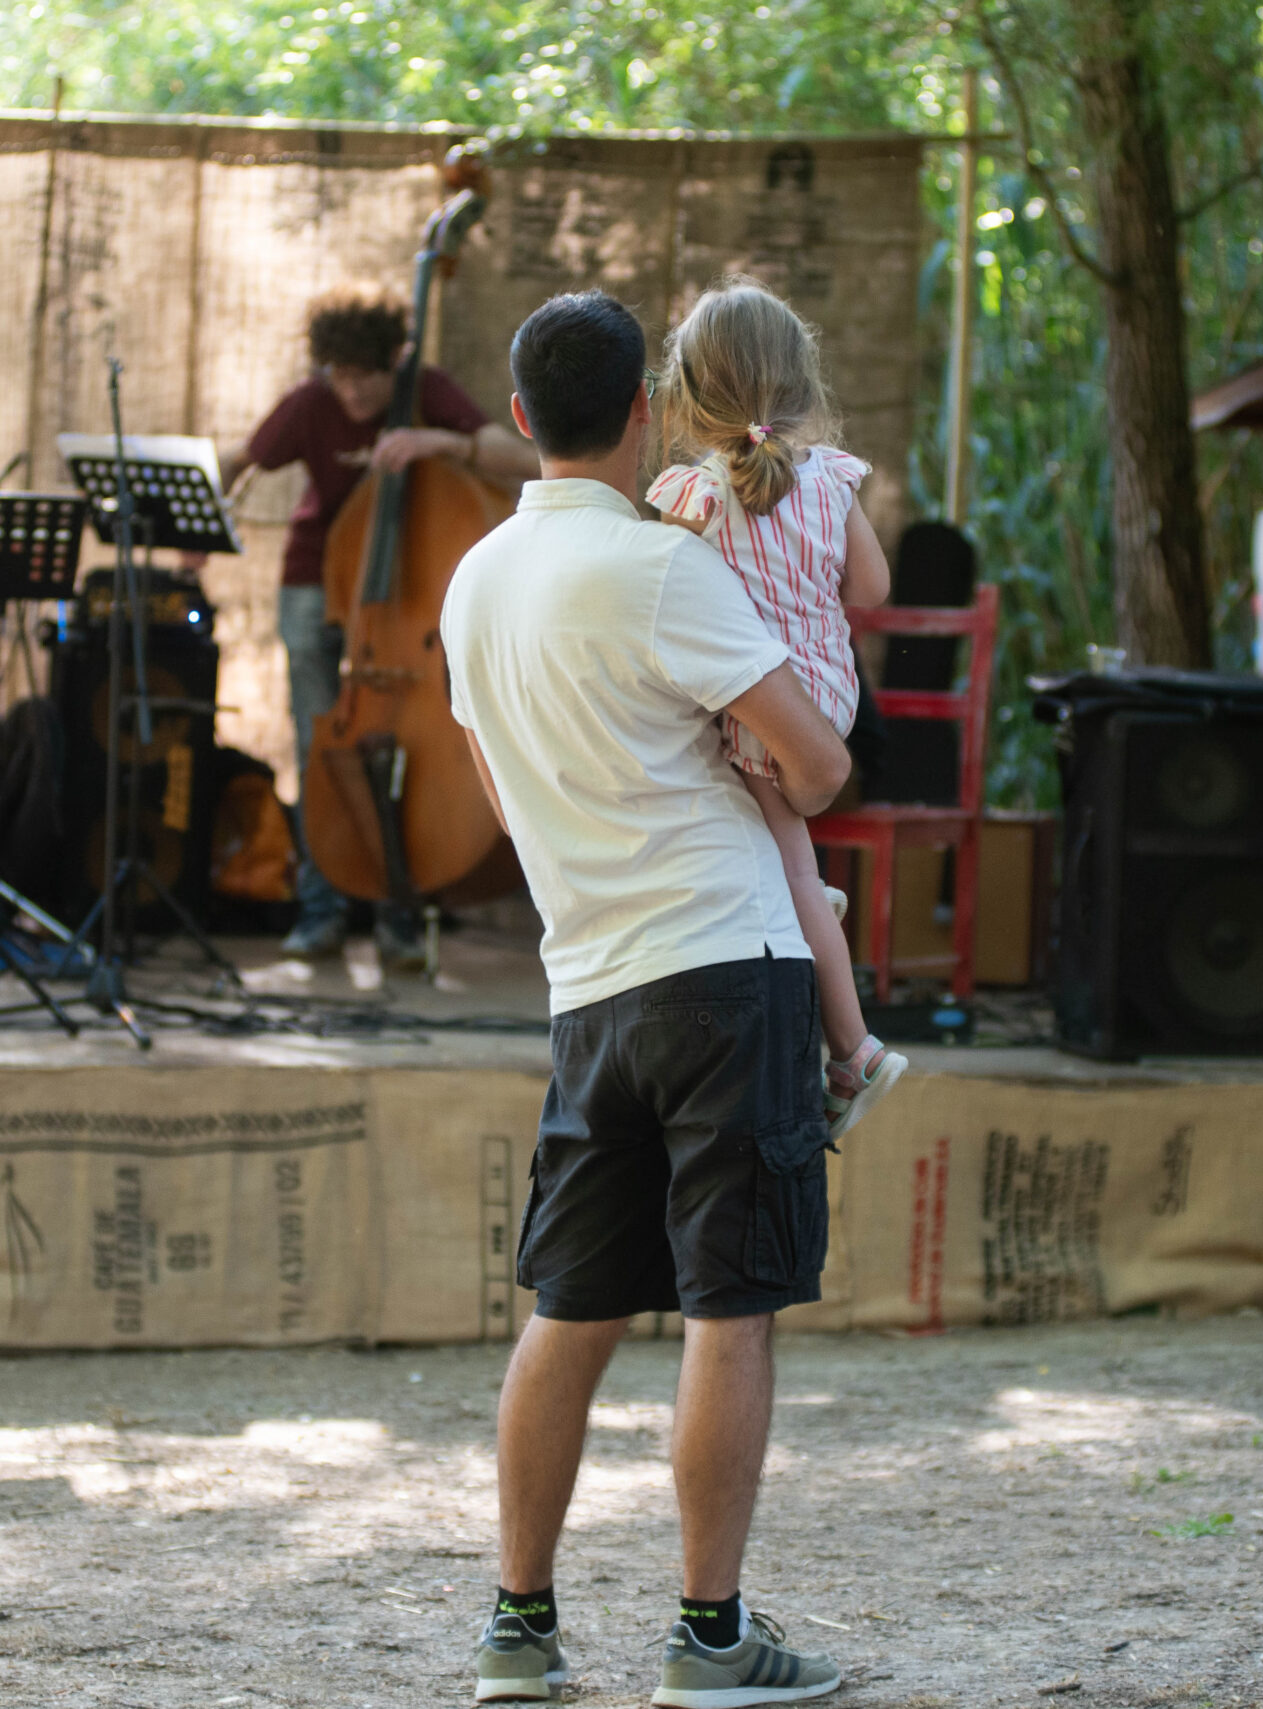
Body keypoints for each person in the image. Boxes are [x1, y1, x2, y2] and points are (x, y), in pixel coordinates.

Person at [440, 290, 850, 1706]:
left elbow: (501, 795)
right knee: (730, 1308)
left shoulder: (473, 584)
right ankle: (711, 1637)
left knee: (570, 1307)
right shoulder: (663, 570)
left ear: (517, 417)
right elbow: (817, 768)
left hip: (589, 984)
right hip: (726, 969)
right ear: (642, 418)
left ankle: (517, 1626)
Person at [646, 279, 908, 1140]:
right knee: (790, 858)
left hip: (768, 710)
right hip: (830, 697)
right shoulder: (832, 476)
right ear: (801, 380)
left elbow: (661, 599)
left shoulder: (696, 495)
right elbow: (870, 588)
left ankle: (855, 1050)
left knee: (795, 872)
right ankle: (803, 900)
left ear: (687, 394)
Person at [215, 287, 539, 967]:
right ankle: (320, 911)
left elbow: (514, 457)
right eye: (338, 376)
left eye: (364, 377)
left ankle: (398, 907)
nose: (351, 392)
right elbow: (242, 460)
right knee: (318, 743)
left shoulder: (425, 390)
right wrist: (203, 511)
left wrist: (436, 440)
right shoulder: (312, 402)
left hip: (401, 604)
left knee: (405, 755)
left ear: (393, 366)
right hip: (318, 583)